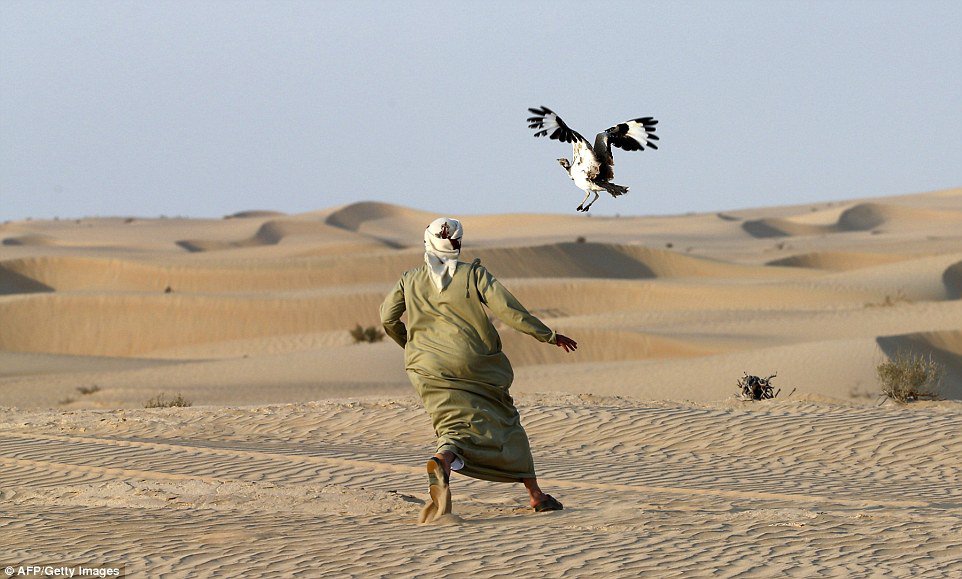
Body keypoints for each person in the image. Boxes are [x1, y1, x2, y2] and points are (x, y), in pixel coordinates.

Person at [379, 217, 578, 523]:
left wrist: (411, 346)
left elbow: (387, 318)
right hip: (474, 365)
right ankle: (536, 496)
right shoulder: (473, 275)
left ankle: (444, 459)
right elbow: (508, 310)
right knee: (505, 420)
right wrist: (548, 335)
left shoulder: (410, 279)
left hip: (426, 367)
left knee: (451, 423)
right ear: (457, 243)